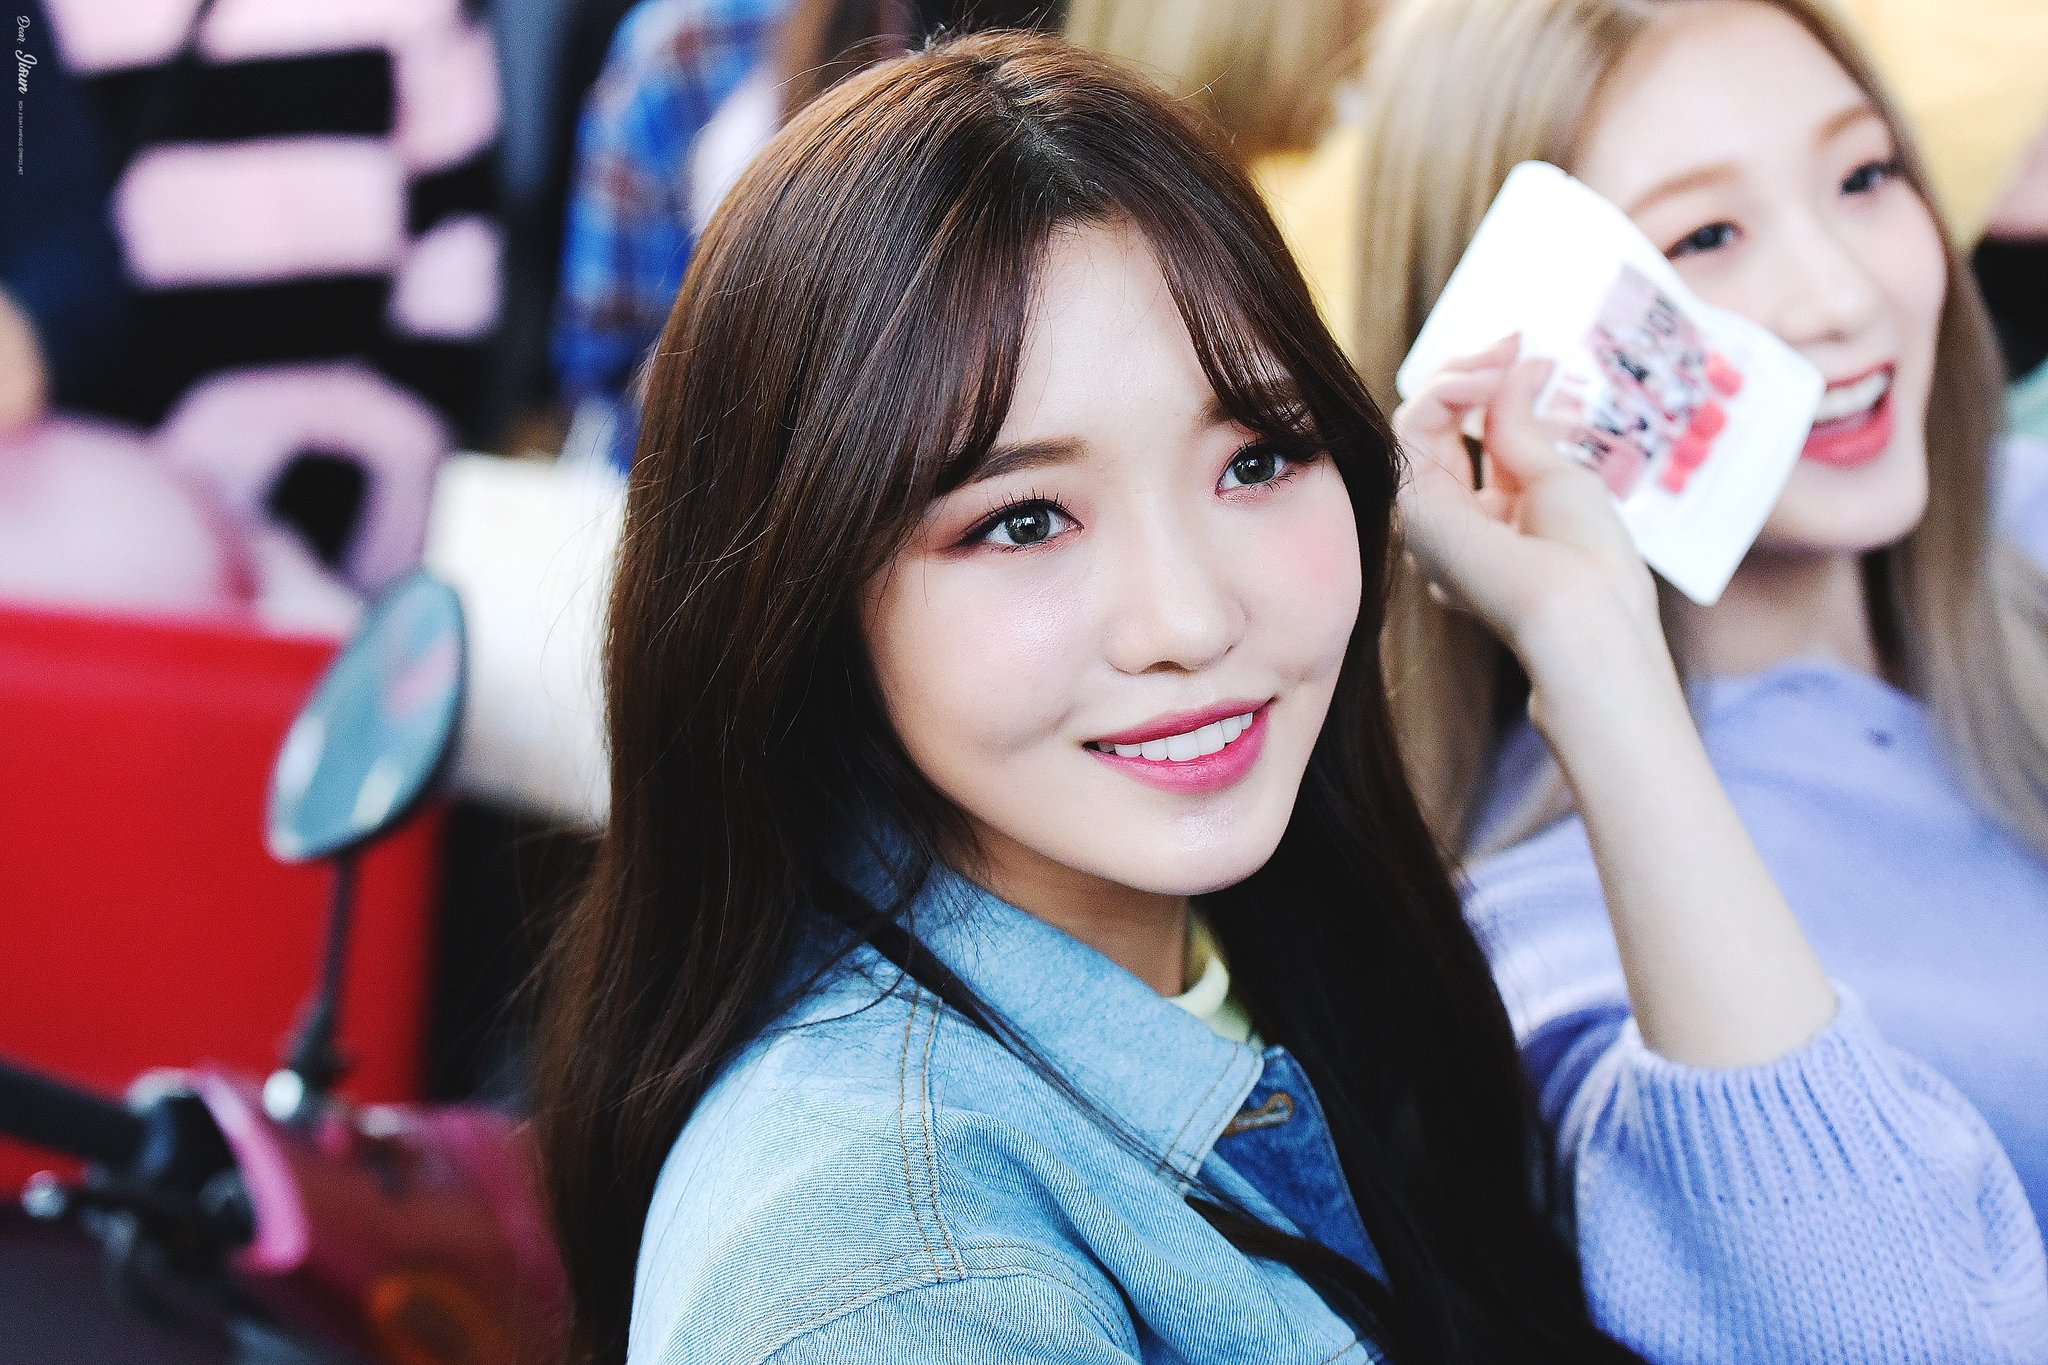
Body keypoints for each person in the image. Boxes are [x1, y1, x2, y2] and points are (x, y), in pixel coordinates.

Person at [530, 31, 1668, 1365]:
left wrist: (1598, 656)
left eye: (1256, 458)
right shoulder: (901, 1285)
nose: (1188, 619)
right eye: (1023, 520)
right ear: (806, 595)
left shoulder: (1285, 958)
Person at [1351, 0, 2048, 1355]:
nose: (1842, 296)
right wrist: (1591, 652)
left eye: (1865, 176)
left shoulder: (2025, 517)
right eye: (1705, 239)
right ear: (1496, 339)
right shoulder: (1560, 922)